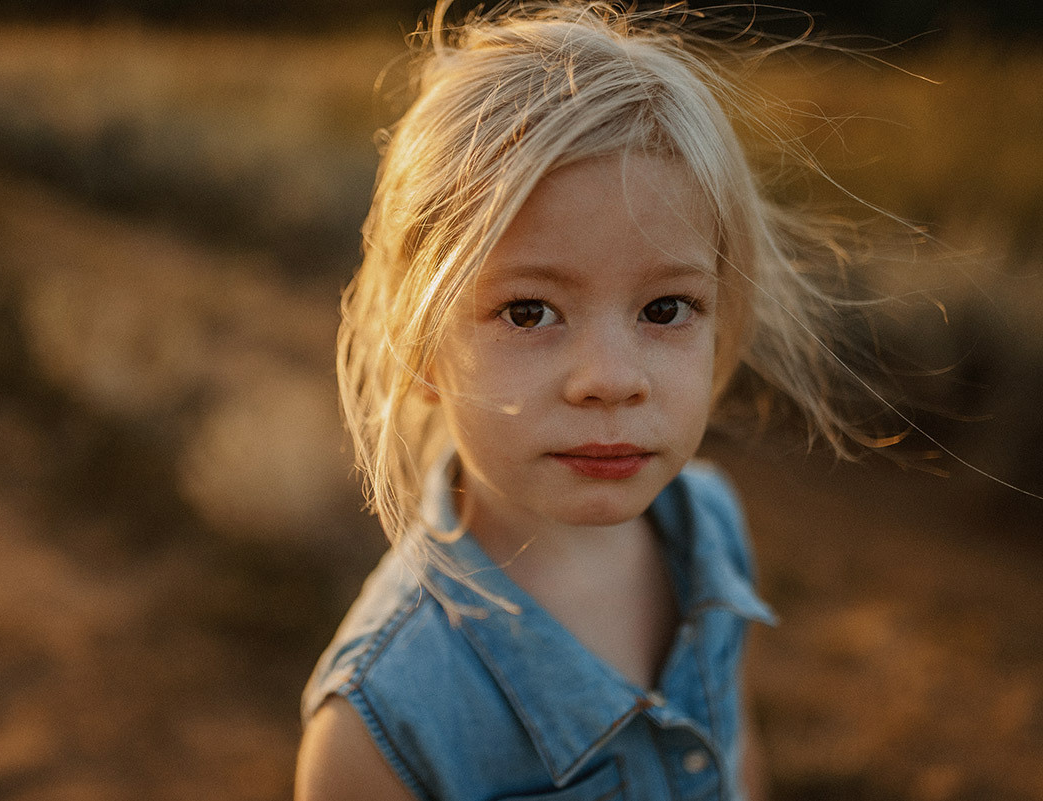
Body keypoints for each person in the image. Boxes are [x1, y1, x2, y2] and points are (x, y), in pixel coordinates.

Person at [296, 2, 886, 798]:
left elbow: (736, 762)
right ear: (420, 343)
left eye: (665, 308)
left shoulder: (708, 526)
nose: (611, 377)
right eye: (529, 311)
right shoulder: (382, 723)